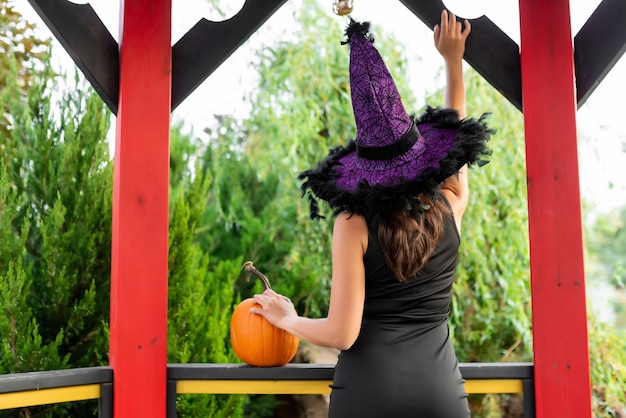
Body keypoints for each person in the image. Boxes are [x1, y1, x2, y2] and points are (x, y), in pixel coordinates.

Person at [250, 9, 492, 417]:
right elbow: (457, 138)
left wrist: (288, 318)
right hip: (440, 397)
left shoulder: (352, 225)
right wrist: (453, 62)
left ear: (365, 169)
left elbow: (342, 333)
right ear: (422, 160)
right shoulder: (451, 204)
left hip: (367, 396)